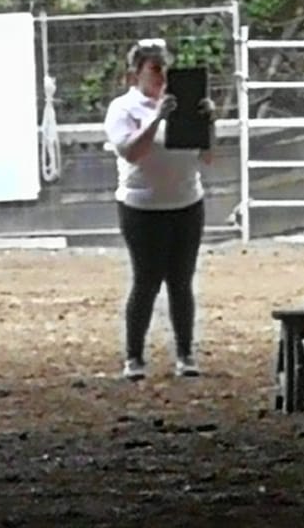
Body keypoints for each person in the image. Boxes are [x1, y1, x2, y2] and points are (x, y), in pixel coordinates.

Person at [102, 39, 216, 380]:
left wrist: (207, 123)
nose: (161, 76)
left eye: (165, 69)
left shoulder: (184, 105)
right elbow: (131, 152)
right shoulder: (123, 108)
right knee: (147, 280)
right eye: (154, 69)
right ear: (135, 75)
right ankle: (134, 356)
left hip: (186, 202)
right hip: (142, 207)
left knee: (181, 281)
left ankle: (185, 353)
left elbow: (206, 157)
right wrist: (157, 118)